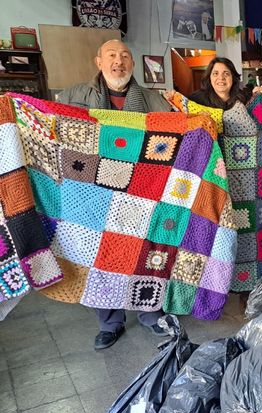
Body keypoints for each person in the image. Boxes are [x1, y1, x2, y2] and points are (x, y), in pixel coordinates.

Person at [58, 39, 172, 350]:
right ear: (99, 61)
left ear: (133, 65)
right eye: (111, 55)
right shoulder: (74, 96)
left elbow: (176, 133)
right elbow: (54, 130)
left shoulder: (153, 99)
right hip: (94, 189)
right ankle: (109, 322)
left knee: (143, 252)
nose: (118, 62)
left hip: (140, 189)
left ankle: (150, 313)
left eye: (124, 56)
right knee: (101, 257)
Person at [183, 57, 250, 110]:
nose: (221, 78)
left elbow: (260, 118)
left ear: (233, 77)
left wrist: (259, 96)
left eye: (226, 74)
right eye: (216, 73)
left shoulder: (244, 98)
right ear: (209, 78)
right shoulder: (196, 100)